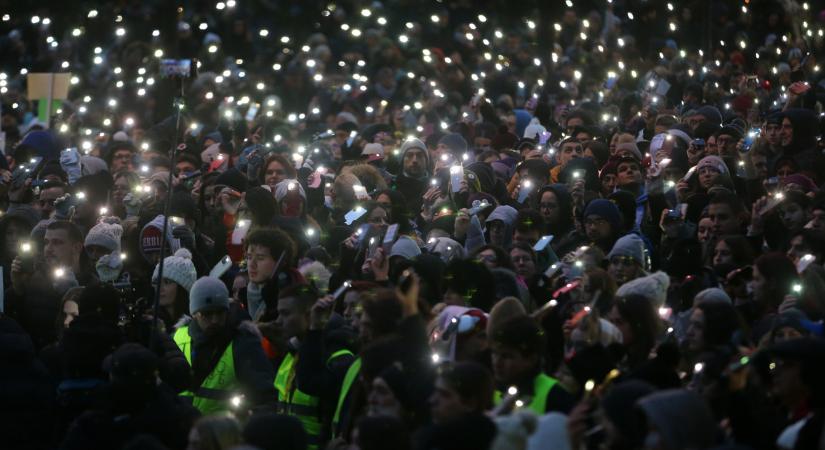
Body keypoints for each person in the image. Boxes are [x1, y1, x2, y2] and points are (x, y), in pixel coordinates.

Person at [173, 276, 277, 415]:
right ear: (194, 314)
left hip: (226, 433)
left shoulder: (243, 342)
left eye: (220, 312)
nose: (215, 320)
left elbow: (266, 397)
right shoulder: (177, 338)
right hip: (182, 431)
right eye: (207, 314)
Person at [273, 284, 355, 449]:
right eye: (278, 313)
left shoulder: (339, 359)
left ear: (310, 315)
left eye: (286, 313)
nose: (278, 321)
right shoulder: (294, 353)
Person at [489, 315, 575, 414]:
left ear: (531, 359)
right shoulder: (488, 391)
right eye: (494, 353)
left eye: (507, 356)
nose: (497, 362)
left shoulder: (556, 397)